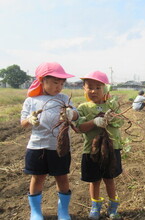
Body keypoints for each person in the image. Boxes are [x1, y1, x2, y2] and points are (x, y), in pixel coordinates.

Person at [21, 62, 78, 220]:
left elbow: (76, 114)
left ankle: (63, 211)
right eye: (55, 82)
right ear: (42, 81)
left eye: (61, 83)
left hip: (59, 147)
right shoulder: (31, 100)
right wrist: (30, 119)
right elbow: (22, 123)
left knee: (62, 177)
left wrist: (70, 114)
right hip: (37, 146)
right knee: (38, 178)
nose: (59, 86)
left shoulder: (64, 98)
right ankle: (36, 212)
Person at [76, 71, 124, 220]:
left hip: (111, 148)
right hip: (91, 149)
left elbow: (121, 122)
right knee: (94, 180)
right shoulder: (83, 107)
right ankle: (95, 207)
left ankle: (113, 208)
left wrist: (110, 118)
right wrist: (94, 122)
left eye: (98, 87)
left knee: (109, 179)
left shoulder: (112, 104)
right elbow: (79, 128)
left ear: (105, 89)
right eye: (89, 87)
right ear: (84, 89)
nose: (94, 91)